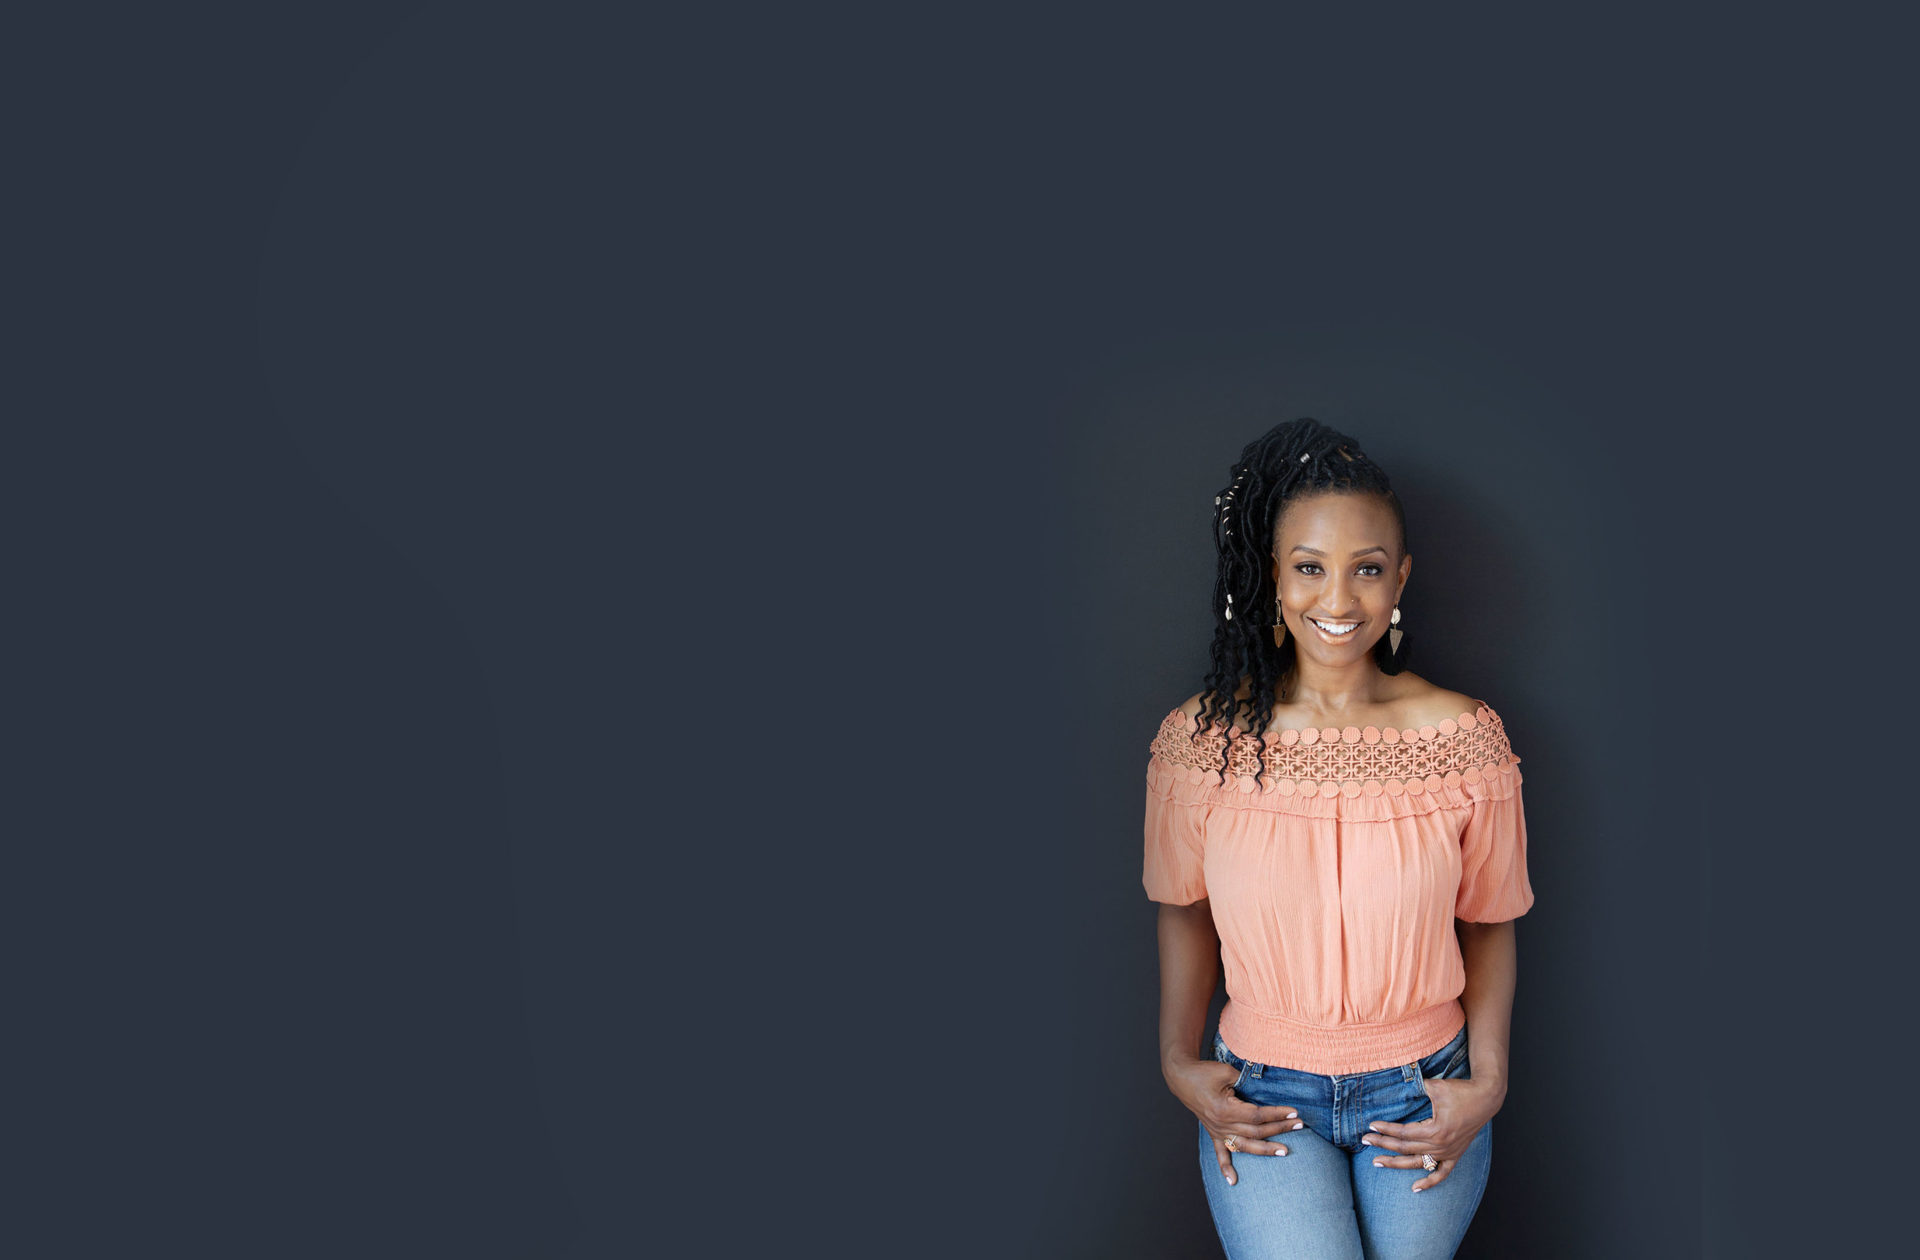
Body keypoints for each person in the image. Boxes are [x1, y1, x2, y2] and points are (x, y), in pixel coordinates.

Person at [1146, 417, 1535, 1259]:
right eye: (1310, 569)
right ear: (1273, 582)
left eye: (1366, 569)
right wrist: (1178, 1062)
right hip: (1264, 1092)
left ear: (1400, 579)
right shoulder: (1201, 741)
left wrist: (1490, 1083)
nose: (1338, 600)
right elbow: (1183, 908)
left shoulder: (1464, 738)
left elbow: (1491, 919)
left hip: (1425, 1088)